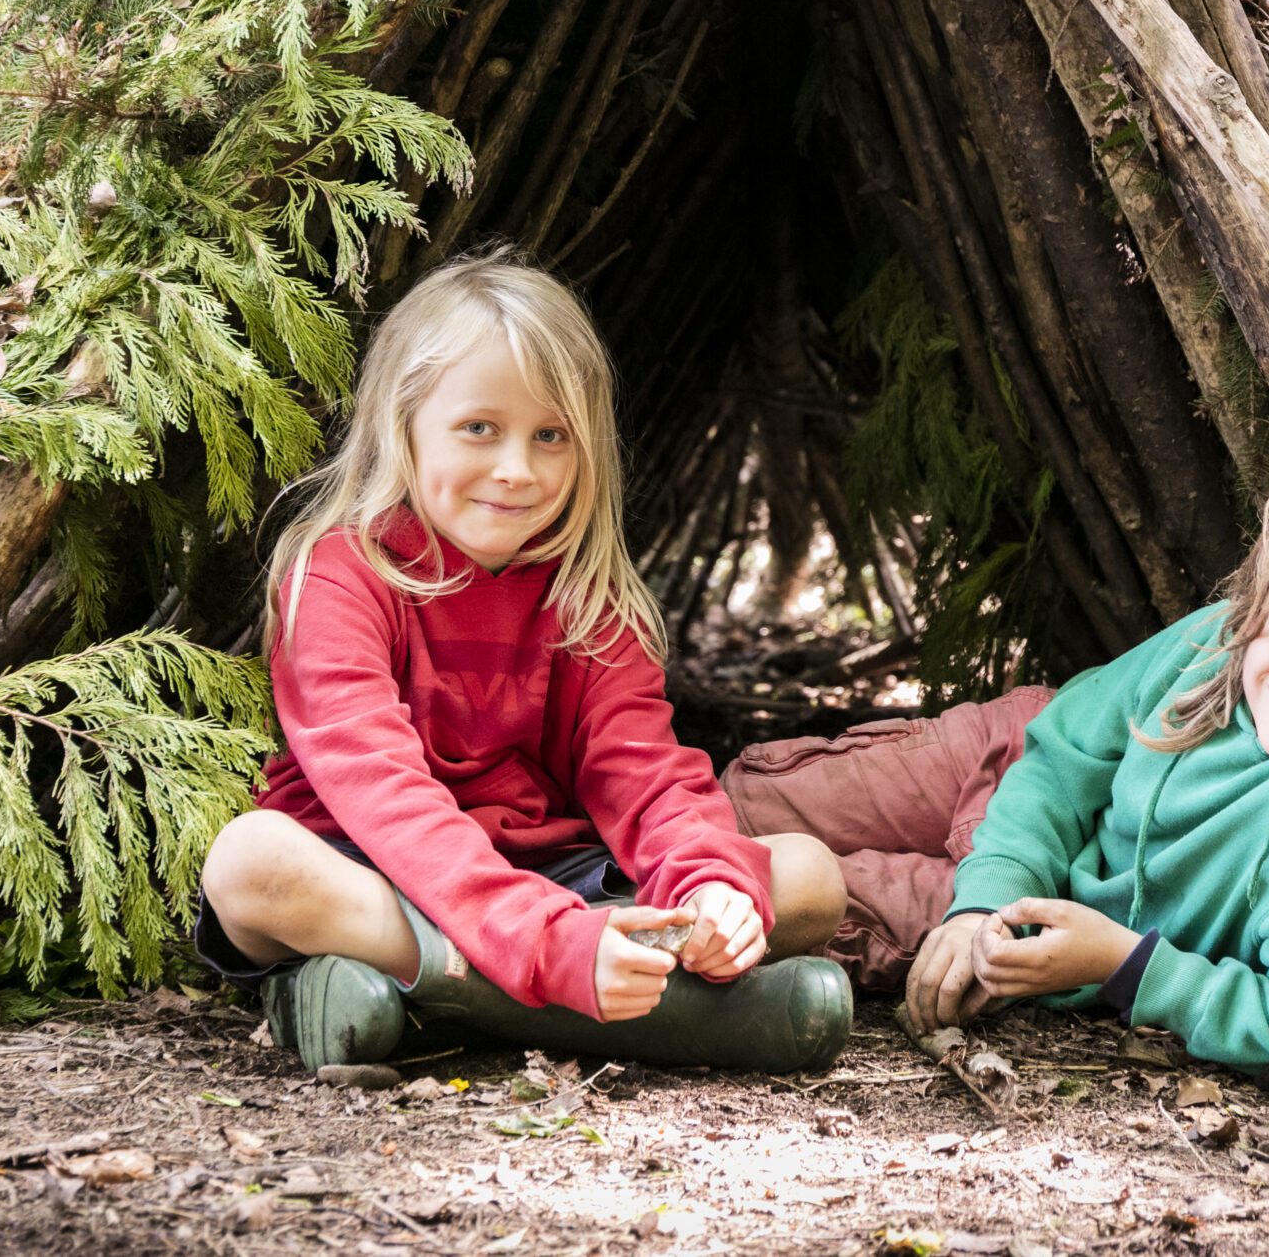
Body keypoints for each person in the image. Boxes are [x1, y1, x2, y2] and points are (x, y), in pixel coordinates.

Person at [197, 253, 851, 1073]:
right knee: (252, 862)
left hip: (549, 877)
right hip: (372, 872)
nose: (517, 468)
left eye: (550, 435)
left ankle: (425, 997)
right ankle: (641, 1009)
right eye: (480, 428)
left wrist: (710, 888)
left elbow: (644, 775)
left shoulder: (587, 595)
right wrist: (550, 945)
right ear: (404, 422)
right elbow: (386, 795)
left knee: (808, 877)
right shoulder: (340, 576)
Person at [723, 469, 1269, 1089]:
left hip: (1048, 920)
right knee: (748, 802)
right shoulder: (1215, 647)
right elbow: (1063, 758)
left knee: (798, 893)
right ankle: (600, 813)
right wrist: (988, 883)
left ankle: (600, 906)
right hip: (1016, 761)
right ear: (1263, 602)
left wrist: (1126, 962)